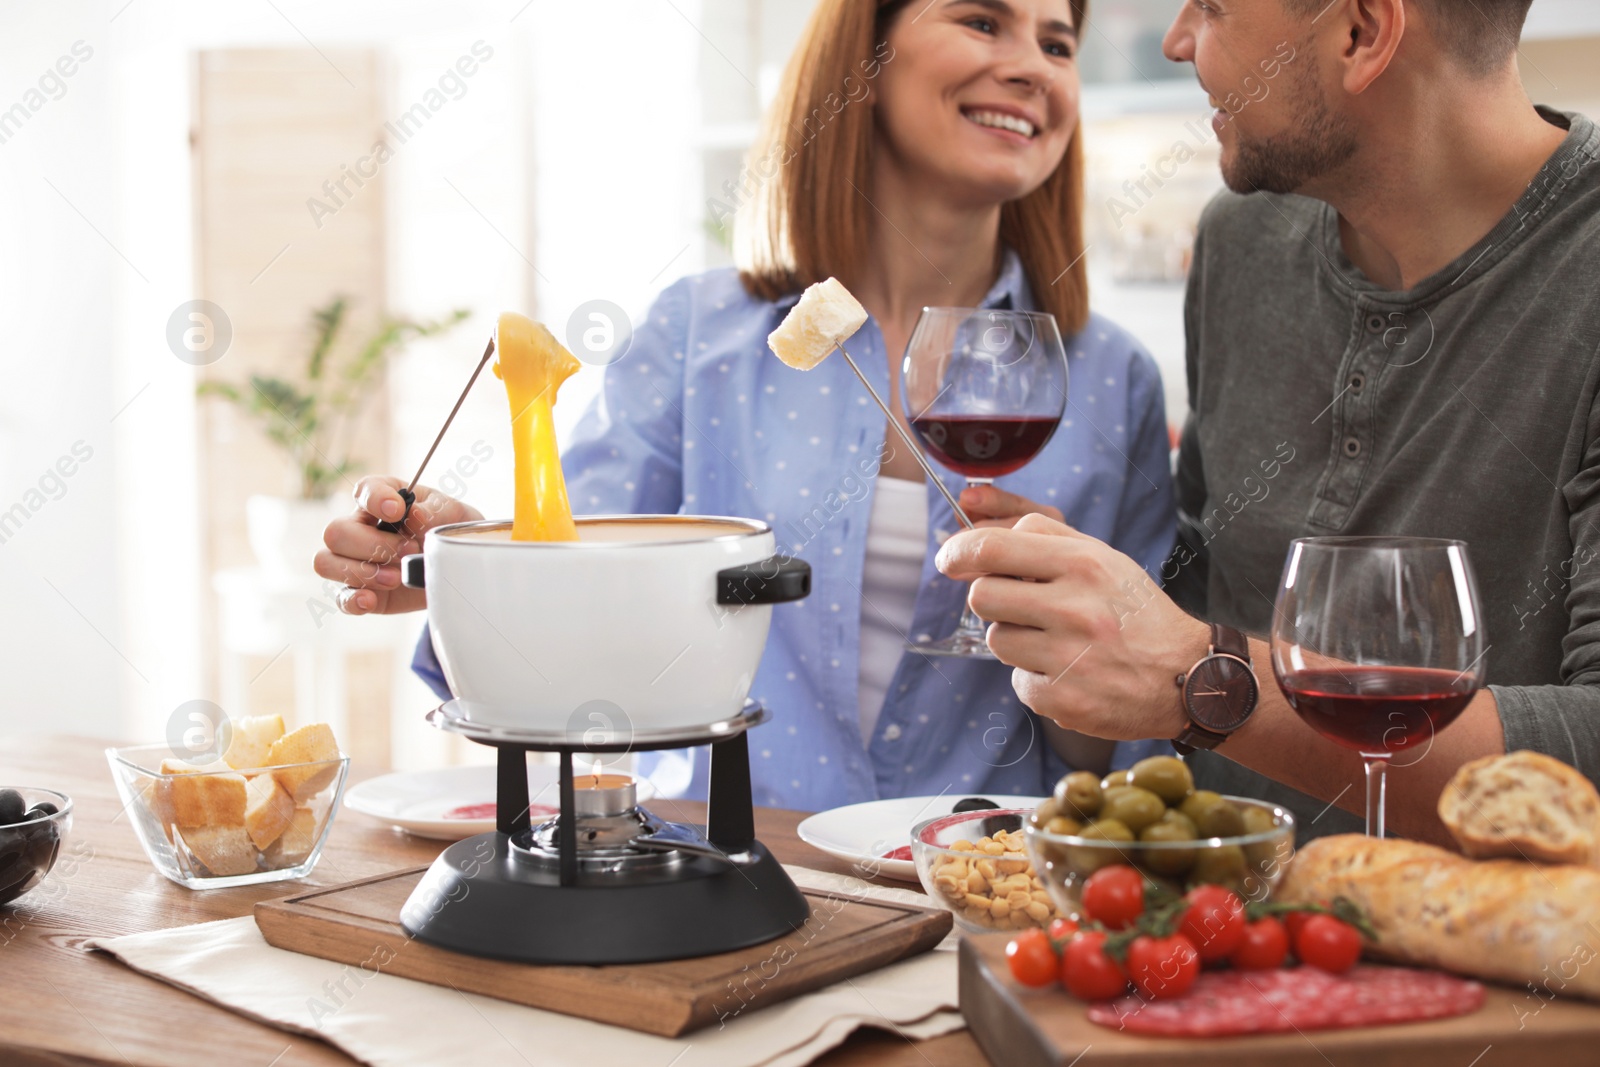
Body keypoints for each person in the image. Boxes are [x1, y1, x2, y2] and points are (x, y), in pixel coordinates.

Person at [317, 0, 1178, 810]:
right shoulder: (698, 333)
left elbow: (1119, 755)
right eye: (983, 19)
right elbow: (573, 609)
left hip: (979, 883)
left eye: (1058, 43)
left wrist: (1070, 643)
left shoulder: (1110, 375)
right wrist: (472, 570)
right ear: (864, 55)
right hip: (721, 871)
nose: (1032, 66)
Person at [935, 0, 1600, 845]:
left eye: (1211, 8)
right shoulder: (1242, 238)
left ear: (1361, 32)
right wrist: (1088, 617)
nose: (1176, 42)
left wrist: (1199, 678)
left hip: (1473, 960)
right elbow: (1200, 584)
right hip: (1200, 929)